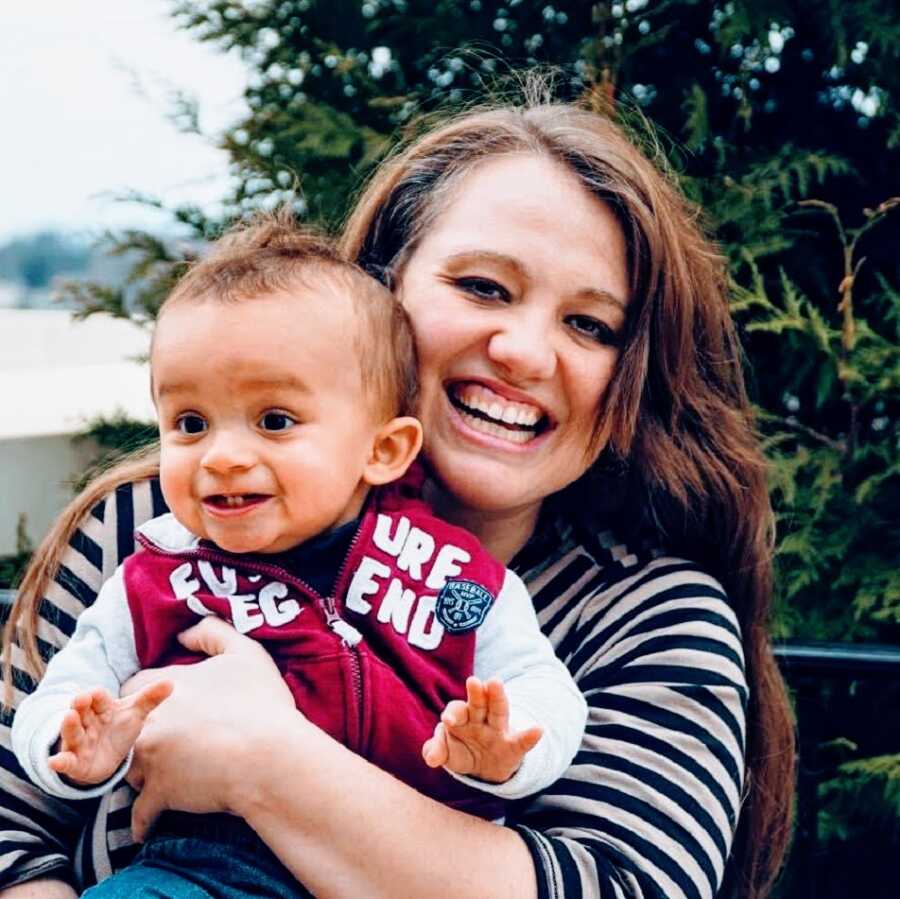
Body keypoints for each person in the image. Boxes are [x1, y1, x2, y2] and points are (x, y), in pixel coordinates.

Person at [0, 83, 795, 899]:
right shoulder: (154, 530)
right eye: (484, 287)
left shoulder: (651, 617)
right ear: (386, 290)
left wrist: (266, 764)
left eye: (590, 326)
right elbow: (10, 825)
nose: (523, 351)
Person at [10, 223, 587, 896]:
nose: (221, 455)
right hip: (200, 873)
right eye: (191, 423)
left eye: (275, 420)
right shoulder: (154, 573)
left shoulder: (447, 574)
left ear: (383, 450)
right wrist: (73, 748)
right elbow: (55, 701)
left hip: (391, 862)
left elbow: (541, 686)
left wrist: (507, 748)